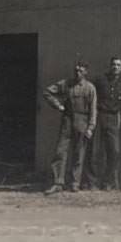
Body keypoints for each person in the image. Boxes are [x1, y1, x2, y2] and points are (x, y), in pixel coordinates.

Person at [43, 61, 97, 194]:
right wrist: (58, 105)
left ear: (86, 72)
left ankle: (75, 183)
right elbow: (47, 92)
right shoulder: (66, 84)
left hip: (82, 121)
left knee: (79, 153)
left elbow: (93, 109)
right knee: (60, 151)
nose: (77, 73)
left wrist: (90, 127)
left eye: (80, 71)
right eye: (76, 70)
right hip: (68, 120)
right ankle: (58, 182)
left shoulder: (90, 88)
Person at [85, 57, 121, 190]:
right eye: (113, 64)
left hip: (114, 117)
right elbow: (89, 92)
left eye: (118, 65)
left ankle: (108, 182)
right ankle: (92, 182)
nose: (115, 67)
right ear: (110, 66)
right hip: (100, 115)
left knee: (114, 151)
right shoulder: (100, 80)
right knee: (95, 150)